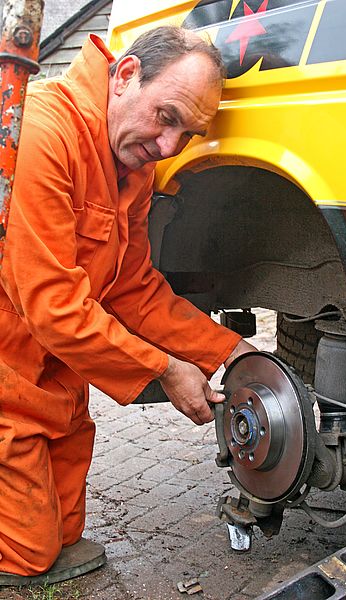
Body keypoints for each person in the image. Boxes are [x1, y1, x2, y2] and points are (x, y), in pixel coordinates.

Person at [0, 26, 256, 584]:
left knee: (64, 533)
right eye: (167, 118)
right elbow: (54, 307)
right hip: (7, 371)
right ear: (125, 75)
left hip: (53, 375)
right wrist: (165, 369)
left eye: (188, 135)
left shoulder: (131, 164)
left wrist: (229, 352)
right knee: (26, 557)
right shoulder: (42, 131)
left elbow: (131, 285)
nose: (168, 148)